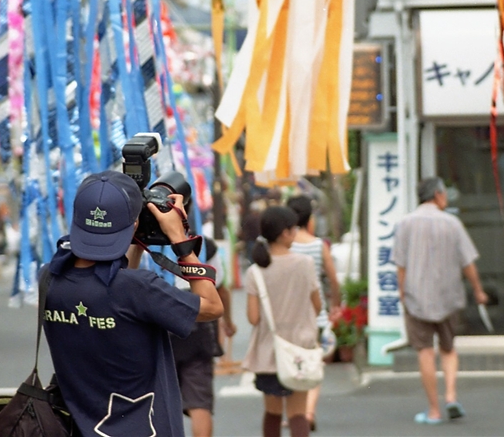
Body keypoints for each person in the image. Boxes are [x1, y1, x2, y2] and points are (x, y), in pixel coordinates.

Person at [42, 170, 223, 437]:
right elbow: (211, 306)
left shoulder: (48, 278)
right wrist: (179, 240)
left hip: (75, 428)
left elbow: (112, 288)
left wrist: (134, 239)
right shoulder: (138, 288)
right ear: (134, 224)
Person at [393, 177, 488, 425]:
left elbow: (400, 265)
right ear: (437, 194)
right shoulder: (452, 223)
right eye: (445, 193)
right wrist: (478, 290)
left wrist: (402, 292)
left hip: (416, 297)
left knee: (425, 352)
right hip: (448, 297)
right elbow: (468, 262)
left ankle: (434, 411)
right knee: (448, 349)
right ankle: (451, 397)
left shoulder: (405, 223)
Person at [243, 206, 322, 437]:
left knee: (273, 413)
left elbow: (253, 318)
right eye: (294, 229)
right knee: (298, 414)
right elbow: (317, 306)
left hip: (269, 351)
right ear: (285, 233)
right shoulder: (305, 264)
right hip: (299, 348)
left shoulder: (256, 271)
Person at [172, 235, 237, 437]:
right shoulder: (204, 245)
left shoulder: (144, 241)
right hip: (197, 319)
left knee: (158, 400)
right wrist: (227, 321)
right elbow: (220, 289)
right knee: (199, 401)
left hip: (158, 320)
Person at [287, 195, 341, 432]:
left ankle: (294, 413)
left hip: (289, 313)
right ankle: (308, 412)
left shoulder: (284, 245)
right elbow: (333, 280)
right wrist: (336, 304)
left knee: (292, 363)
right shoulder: (319, 245)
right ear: (310, 219)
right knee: (314, 364)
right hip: (315, 313)